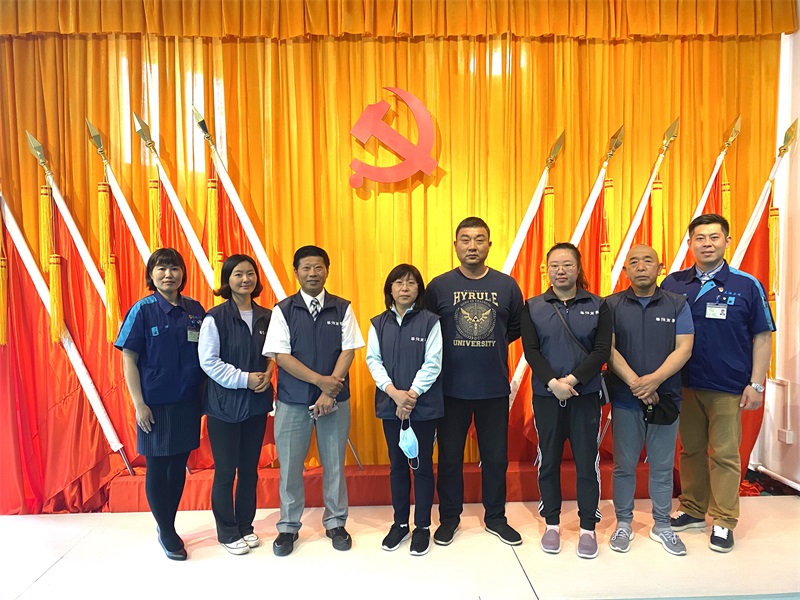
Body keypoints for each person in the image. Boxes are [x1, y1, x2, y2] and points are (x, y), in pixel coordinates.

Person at [662, 214, 775, 553]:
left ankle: (724, 519)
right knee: (691, 450)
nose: (707, 244)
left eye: (714, 237)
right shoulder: (674, 283)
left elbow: (763, 336)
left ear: (727, 241)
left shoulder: (746, 284)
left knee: (725, 454)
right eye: (700, 238)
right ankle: (693, 508)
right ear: (690, 243)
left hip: (728, 386)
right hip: (684, 384)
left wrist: (757, 384)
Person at [424, 216, 524, 547]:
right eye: (465, 240)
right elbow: (426, 329)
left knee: (495, 458)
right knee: (449, 458)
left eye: (479, 239)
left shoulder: (507, 286)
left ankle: (496, 517)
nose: (472, 246)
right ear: (455, 246)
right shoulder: (438, 286)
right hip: (450, 389)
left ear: (489, 245)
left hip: (493, 388)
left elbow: (515, 327)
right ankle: (449, 518)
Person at [262, 245, 364, 556]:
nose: (313, 273)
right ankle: (288, 526)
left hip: (334, 402)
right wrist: (321, 382)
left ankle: (336, 521)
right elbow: (281, 356)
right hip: (293, 401)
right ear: (296, 272)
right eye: (306, 268)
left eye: (318, 267)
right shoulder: (283, 310)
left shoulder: (342, 308)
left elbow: (349, 351)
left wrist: (329, 392)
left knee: (334, 464)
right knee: (291, 466)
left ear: (327, 270)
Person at [520, 242, 611, 559]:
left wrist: (572, 381)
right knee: (549, 460)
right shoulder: (532, 306)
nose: (561, 270)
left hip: (585, 396)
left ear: (578, 268)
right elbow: (531, 351)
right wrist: (552, 383)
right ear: (546, 269)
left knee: (587, 461)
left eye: (567, 264)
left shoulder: (598, 305)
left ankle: (588, 528)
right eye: (555, 265)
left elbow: (601, 350)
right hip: (547, 397)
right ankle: (552, 524)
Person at [114, 248, 206, 561]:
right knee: (157, 465)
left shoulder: (195, 309)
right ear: (151, 275)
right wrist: (138, 404)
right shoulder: (142, 310)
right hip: (154, 405)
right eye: (162, 269)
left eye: (174, 268)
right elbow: (129, 358)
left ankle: (168, 523)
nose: (169, 274)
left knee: (178, 465)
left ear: (183, 273)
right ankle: (166, 530)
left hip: (188, 402)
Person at [605, 244, 694, 555]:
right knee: (624, 465)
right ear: (625, 270)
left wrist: (654, 380)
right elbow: (608, 350)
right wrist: (638, 384)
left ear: (660, 267)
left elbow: (684, 348)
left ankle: (662, 525)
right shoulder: (611, 305)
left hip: (666, 397)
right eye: (634, 262)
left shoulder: (678, 304)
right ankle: (623, 523)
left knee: (662, 466)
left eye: (648, 261)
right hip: (626, 399)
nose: (641, 266)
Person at [198, 254, 274, 555]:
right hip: (224, 406)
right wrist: (245, 379)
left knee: (250, 470)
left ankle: (245, 525)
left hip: (256, 404)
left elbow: (274, 352)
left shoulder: (268, 316)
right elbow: (209, 362)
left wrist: (268, 374)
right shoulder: (214, 318)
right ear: (227, 280)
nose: (245, 279)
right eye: (238, 274)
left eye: (250, 273)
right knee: (226, 471)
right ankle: (227, 532)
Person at [366, 264, 443, 556]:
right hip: (391, 405)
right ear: (390, 288)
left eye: (411, 283)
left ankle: (422, 526)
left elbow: (433, 362)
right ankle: (400, 524)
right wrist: (394, 394)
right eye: (398, 283)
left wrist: (410, 396)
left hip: (422, 407)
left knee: (421, 467)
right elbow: (373, 361)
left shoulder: (430, 322)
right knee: (397, 466)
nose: (404, 288)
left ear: (418, 289)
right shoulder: (378, 323)